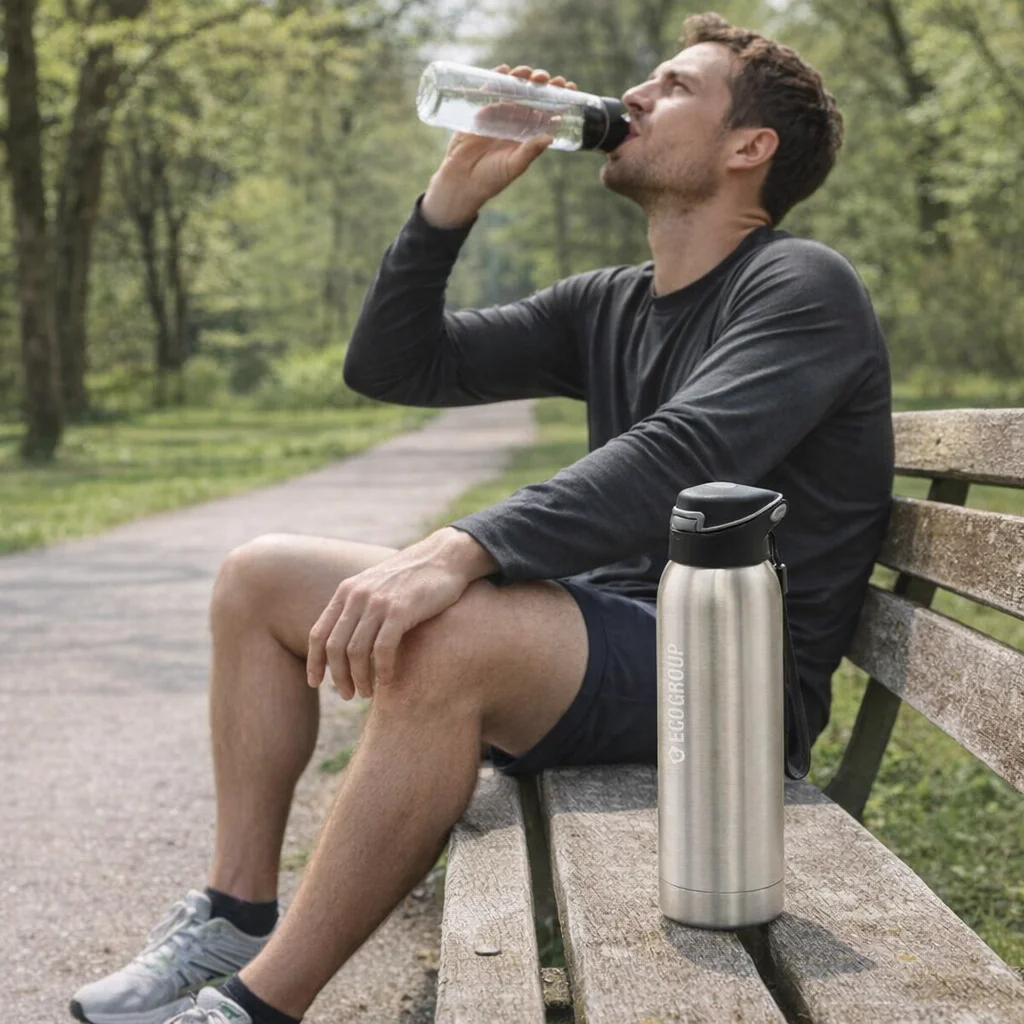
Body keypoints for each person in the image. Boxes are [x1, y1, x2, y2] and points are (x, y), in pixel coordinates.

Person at [70, 13, 894, 1024]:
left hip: (726, 693)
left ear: (747, 148)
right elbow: (392, 365)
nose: (632, 95)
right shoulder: (611, 303)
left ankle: (254, 1007)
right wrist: (447, 202)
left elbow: (684, 454)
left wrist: (456, 551)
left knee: (450, 635)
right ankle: (235, 912)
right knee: (260, 576)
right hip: (600, 641)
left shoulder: (801, 286)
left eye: (673, 86)